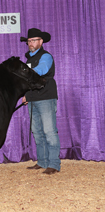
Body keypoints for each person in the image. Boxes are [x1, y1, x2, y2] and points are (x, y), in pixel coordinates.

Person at [20, 28, 61, 175]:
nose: (31, 43)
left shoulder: (46, 56)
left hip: (46, 96)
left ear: (41, 41)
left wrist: (22, 74)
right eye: (29, 41)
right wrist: (26, 95)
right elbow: (28, 81)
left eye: (34, 40)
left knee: (49, 131)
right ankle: (42, 161)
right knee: (37, 132)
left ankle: (54, 164)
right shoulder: (28, 59)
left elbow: (42, 70)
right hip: (33, 98)